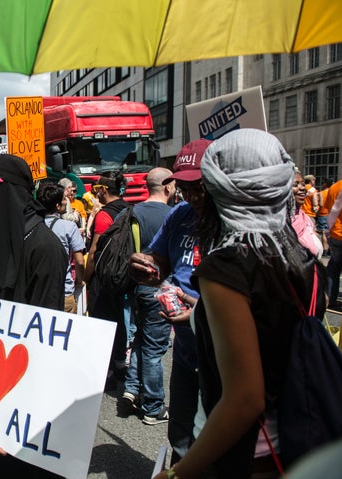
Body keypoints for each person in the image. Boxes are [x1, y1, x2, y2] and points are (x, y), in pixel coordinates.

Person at [154, 129, 326, 479]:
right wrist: (201, 315)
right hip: (297, 439)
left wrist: (179, 473)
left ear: (222, 189)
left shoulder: (226, 267)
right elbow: (270, 330)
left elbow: (245, 400)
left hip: (240, 455)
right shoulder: (300, 256)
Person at [0, 154, 67, 478]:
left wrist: (16, 416)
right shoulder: (2, 241)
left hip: (24, 403)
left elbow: (44, 339)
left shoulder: (45, 247)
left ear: (13, 190)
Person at [129, 138, 212, 465]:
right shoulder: (179, 214)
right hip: (186, 350)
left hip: (222, 352)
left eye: (198, 187)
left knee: (216, 438)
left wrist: (199, 310)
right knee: (179, 432)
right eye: (184, 185)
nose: (190, 194)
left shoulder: (232, 219)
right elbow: (159, 260)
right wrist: (145, 268)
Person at [121, 167, 175, 425]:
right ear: (167, 187)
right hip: (162, 287)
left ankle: (132, 388)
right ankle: (153, 407)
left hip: (136, 286)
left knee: (141, 338)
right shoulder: (176, 214)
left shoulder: (133, 211)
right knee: (155, 348)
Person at [84, 171, 130, 377]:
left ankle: (106, 369)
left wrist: (85, 276)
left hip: (103, 277)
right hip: (123, 273)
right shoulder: (130, 209)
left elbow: (93, 252)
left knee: (101, 320)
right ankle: (120, 362)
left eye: (96, 190)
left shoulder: (104, 215)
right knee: (120, 317)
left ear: (103, 190)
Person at [38, 183, 86, 313]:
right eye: (64, 199)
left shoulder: (33, 225)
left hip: (39, 295)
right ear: (58, 206)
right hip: (64, 294)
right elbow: (80, 262)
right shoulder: (69, 227)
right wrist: (79, 281)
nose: (67, 202)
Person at [291, 170, 323, 258]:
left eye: (303, 184)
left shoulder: (304, 218)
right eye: (295, 184)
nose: (302, 188)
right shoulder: (274, 223)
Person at [324, 177, 342, 310]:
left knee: (333, 268)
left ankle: (330, 298)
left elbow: (328, 209)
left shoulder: (334, 187)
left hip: (334, 233)